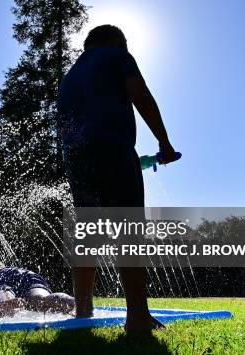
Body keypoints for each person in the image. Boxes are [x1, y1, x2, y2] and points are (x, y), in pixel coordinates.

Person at [58, 24, 178, 333]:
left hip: (75, 154)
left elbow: (63, 126)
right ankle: (137, 316)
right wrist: (164, 143)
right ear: (115, 42)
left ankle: (82, 310)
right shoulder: (117, 55)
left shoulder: (69, 77)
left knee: (87, 232)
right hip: (112, 144)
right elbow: (139, 93)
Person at [0, 256, 75, 317]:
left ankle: (10, 303)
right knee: (41, 299)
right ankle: (72, 302)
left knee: (4, 302)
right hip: (27, 275)